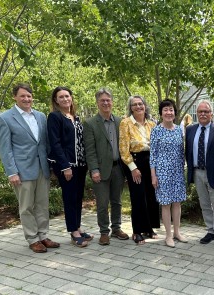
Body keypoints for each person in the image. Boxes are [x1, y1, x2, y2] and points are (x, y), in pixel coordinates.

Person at [0, 83, 60, 253]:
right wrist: (12, 172)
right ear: (15, 97)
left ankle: (43, 236)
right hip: (22, 170)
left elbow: (45, 143)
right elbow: (5, 148)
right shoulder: (5, 118)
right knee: (26, 207)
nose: (27, 99)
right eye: (23, 96)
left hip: (42, 168)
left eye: (29, 96)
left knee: (42, 204)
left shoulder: (40, 116)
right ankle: (32, 239)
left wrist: (52, 166)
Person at [84, 88, 129, 246]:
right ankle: (104, 232)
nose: (105, 103)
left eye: (108, 100)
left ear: (112, 102)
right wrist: (94, 170)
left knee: (117, 201)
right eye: (102, 100)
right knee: (102, 203)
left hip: (118, 168)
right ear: (97, 102)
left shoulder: (120, 121)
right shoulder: (90, 123)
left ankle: (116, 228)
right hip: (100, 170)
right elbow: (89, 150)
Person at [47, 86, 90, 248]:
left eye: (67, 96)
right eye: (61, 97)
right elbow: (55, 143)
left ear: (71, 98)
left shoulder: (75, 117)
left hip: (80, 164)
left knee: (78, 197)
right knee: (70, 197)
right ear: (56, 100)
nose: (65, 99)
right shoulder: (54, 117)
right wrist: (65, 166)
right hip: (66, 165)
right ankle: (73, 232)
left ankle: (78, 227)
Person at [185, 100, 214, 248]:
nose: (203, 114)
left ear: (211, 114)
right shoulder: (190, 130)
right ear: (197, 114)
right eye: (200, 112)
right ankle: (211, 231)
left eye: (206, 111)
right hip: (197, 173)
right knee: (204, 204)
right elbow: (187, 153)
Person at [119, 95, 160, 245]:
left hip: (151, 162)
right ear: (131, 108)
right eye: (134, 105)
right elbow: (123, 149)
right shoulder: (126, 123)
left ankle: (149, 228)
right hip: (135, 162)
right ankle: (137, 231)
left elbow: (156, 146)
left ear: (145, 106)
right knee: (138, 197)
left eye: (140, 104)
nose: (138, 107)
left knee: (151, 195)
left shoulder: (151, 124)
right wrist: (133, 168)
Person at [150, 99, 187, 248]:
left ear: (174, 113)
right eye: (165, 110)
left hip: (177, 171)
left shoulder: (179, 129)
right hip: (162, 173)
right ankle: (168, 235)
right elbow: (153, 154)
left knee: (177, 203)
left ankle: (177, 232)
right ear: (161, 113)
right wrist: (153, 175)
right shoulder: (156, 130)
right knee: (165, 204)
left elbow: (181, 151)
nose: (168, 112)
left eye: (171, 109)